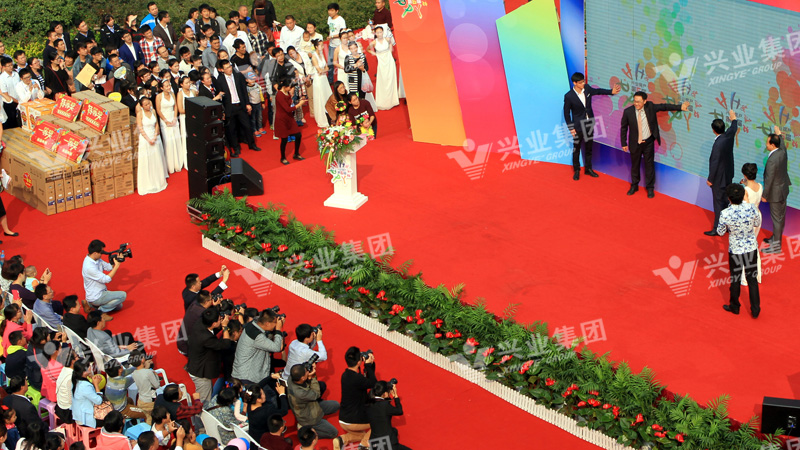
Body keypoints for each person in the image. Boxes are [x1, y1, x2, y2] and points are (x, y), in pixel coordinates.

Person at [620, 91, 689, 198]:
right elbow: (624, 128)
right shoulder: (628, 112)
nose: (636, 103)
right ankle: (634, 185)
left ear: (644, 101)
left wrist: (680, 107)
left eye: (639, 102)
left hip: (648, 142)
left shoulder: (650, 107)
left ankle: (650, 188)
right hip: (635, 143)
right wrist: (624, 143)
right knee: (635, 165)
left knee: (649, 165)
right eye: (635, 101)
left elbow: (664, 106)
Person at [563, 72, 620, 180]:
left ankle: (588, 169)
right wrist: (571, 128)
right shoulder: (569, 96)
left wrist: (611, 92)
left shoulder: (587, 89)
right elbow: (566, 113)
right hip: (578, 126)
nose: (583, 84)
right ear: (575, 83)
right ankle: (577, 170)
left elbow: (598, 91)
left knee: (589, 148)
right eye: (581, 82)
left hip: (589, 123)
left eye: (583, 81)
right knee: (576, 149)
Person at [718, 183, 761, 318]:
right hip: (751, 248)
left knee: (735, 278)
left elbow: (720, 232)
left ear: (729, 198)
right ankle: (755, 310)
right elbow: (757, 223)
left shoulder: (725, 213)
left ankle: (735, 307)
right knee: (752, 279)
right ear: (743, 196)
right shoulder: (751, 208)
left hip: (735, 250)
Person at [187, 307, 232, 405]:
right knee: (204, 402)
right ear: (214, 324)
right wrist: (225, 326)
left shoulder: (200, 322)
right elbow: (226, 344)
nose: (221, 319)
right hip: (201, 373)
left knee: (205, 394)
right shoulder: (206, 337)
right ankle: (201, 414)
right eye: (219, 319)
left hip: (196, 364)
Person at [216, 59, 261, 156]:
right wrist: (223, 111)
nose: (229, 69)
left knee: (247, 126)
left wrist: (247, 103)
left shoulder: (238, 75)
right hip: (230, 107)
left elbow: (244, 90)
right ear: (222, 70)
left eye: (230, 66)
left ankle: (252, 144)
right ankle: (236, 148)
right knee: (232, 129)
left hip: (240, 105)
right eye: (227, 68)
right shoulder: (220, 80)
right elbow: (221, 97)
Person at [706, 109, 739, 236]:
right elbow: (734, 128)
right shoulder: (728, 136)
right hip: (728, 175)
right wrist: (733, 119)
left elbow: (714, 163)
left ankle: (717, 228)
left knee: (718, 204)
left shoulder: (717, 144)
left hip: (719, 179)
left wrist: (710, 179)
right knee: (726, 201)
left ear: (714, 130)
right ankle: (728, 226)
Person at [336, 347, 376, 450]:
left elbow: (366, 381)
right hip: (353, 421)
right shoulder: (357, 379)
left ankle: (341, 440)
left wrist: (369, 365)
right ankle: (364, 445)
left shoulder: (345, 375)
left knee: (363, 434)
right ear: (359, 362)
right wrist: (368, 365)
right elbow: (373, 383)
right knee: (378, 421)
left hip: (343, 419)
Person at [232, 308, 285, 385]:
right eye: (275, 323)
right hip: (248, 378)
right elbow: (276, 347)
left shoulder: (252, 324)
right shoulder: (257, 336)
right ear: (267, 323)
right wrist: (278, 330)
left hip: (246, 374)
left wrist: (271, 315)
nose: (276, 324)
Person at [287, 364, 340, 439]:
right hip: (309, 418)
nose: (308, 372)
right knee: (333, 433)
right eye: (306, 372)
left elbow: (300, 370)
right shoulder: (300, 393)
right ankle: (305, 431)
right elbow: (317, 394)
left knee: (336, 405)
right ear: (302, 378)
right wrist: (313, 377)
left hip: (312, 406)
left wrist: (309, 365)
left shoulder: (292, 377)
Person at [762, 126, 791, 254]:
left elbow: (769, 179)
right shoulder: (782, 151)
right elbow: (783, 145)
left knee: (777, 219)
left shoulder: (772, 160)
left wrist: (765, 195)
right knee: (780, 217)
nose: (766, 144)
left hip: (775, 193)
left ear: (773, 145)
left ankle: (776, 247)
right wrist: (779, 135)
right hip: (783, 190)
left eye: (767, 142)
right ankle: (775, 238)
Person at [82, 239, 127, 312]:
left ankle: (90, 304)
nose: (102, 254)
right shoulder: (89, 267)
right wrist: (117, 266)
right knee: (122, 296)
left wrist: (117, 260)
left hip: (100, 292)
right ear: (95, 253)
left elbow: (109, 267)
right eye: (101, 252)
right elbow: (106, 279)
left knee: (118, 306)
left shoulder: (96, 259)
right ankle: (100, 312)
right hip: (96, 296)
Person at [136, 96, 169, 195]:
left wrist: (155, 136)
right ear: (142, 106)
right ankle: (148, 182)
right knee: (147, 160)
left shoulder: (153, 111)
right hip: (145, 139)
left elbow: (156, 124)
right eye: (146, 104)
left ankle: (159, 179)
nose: (148, 106)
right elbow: (140, 128)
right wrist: (148, 139)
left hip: (155, 137)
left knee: (156, 158)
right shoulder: (140, 114)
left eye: (149, 103)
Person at [366, 381, 410, 450]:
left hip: (374, 443)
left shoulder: (369, 404)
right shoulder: (385, 405)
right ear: (385, 394)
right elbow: (399, 411)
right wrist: (395, 396)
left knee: (394, 431)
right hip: (388, 444)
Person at [274, 78, 306, 164]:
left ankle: (296, 154)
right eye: (290, 87)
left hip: (289, 118)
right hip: (282, 120)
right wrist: (299, 104)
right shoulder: (279, 95)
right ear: (285, 86)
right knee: (284, 139)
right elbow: (288, 109)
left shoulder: (286, 92)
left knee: (298, 135)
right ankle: (283, 157)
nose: (291, 89)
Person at [368, 26, 398, 111]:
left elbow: (391, 44)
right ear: (375, 33)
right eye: (377, 32)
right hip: (381, 62)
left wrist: (390, 52)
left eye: (380, 32)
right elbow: (368, 49)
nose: (379, 34)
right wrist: (376, 54)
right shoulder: (374, 42)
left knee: (391, 78)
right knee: (383, 79)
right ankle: (383, 101)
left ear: (383, 32)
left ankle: (393, 100)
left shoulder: (387, 39)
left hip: (389, 61)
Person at [155, 77, 181, 173]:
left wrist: (175, 118)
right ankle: (170, 165)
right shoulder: (159, 97)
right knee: (168, 142)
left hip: (173, 118)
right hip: (164, 119)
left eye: (169, 85)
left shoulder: (172, 94)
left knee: (176, 139)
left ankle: (178, 162)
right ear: (162, 88)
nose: (168, 87)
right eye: (166, 86)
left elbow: (175, 106)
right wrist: (165, 120)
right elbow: (158, 110)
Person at [70, 360, 104, 428]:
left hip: (79, 415)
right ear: (84, 372)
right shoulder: (85, 386)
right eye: (89, 366)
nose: (91, 367)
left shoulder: (76, 379)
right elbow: (99, 401)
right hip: (86, 420)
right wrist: (96, 385)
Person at [130, 350, 159, 423]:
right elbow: (157, 385)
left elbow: (143, 376)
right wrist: (156, 376)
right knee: (150, 420)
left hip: (141, 400)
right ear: (142, 360)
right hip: (150, 402)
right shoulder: (148, 372)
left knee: (147, 418)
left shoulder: (134, 373)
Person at [309, 40, 332, 126]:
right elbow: (319, 70)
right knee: (321, 97)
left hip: (324, 78)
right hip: (318, 79)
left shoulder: (321, 54)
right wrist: (323, 70)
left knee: (327, 95)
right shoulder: (314, 57)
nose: (322, 47)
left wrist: (324, 70)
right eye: (321, 45)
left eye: (322, 45)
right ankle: (322, 118)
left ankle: (330, 115)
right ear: (316, 47)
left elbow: (327, 68)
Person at [54, 350, 78, 424]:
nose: (78, 358)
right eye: (77, 356)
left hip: (60, 407)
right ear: (72, 361)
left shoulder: (64, 369)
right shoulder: (71, 376)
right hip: (68, 413)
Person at [326, 3, 346, 84]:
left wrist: (332, 36)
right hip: (332, 44)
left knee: (341, 62)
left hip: (339, 44)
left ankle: (344, 78)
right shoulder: (329, 18)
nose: (330, 12)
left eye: (332, 10)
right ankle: (330, 80)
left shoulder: (341, 20)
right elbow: (331, 30)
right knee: (330, 63)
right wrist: (330, 37)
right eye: (329, 10)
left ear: (336, 11)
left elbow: (343, 32)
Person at [1, 56, 21, 128]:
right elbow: (6, 94)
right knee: (12, 122)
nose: (11, 67)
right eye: (8, 66)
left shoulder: (16, 74)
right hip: (9, 103)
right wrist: (17, 101)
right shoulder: (2, 78)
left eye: (11, 65)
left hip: (19, 100)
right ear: (4, 67)